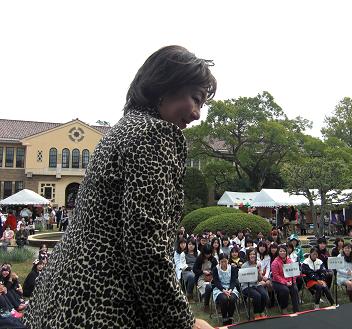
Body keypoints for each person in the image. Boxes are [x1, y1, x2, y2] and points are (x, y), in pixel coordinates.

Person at [24, 45, 217, 329]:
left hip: (63, 297)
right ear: (165, 87)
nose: (198, 113)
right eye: (195, 98)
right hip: (104, 307)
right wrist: (182, 323)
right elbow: (145, 246)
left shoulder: (121, 130)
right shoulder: (155, 134)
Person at [271, 244, 300, 314]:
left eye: (284, 251)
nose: (282, 252)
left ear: (286, 252)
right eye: (280, 251)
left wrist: (291, 281)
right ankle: (284, 307)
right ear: (278, 252)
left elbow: (293, 272)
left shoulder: (290, 261)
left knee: (295, 289)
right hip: (277, 282)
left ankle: (296, 309)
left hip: (289, 280)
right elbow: (276, 276)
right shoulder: (275, 262)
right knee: (285, 290)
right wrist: (285, 282)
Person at [241, 249, 269, 319]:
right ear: (248, 256)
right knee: (257, 296)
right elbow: (243, 280)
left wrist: (259, 271)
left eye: (254, 254)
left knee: (264, 295)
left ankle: (261, 311)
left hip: (256, 284)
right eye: (250, 254)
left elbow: (260, 279)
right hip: (246, 285)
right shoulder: (244, 265)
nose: (252, 256)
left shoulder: (258, 264)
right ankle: (256, 313)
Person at [212, 253, 239, 326]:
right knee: (224, 298)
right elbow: (216, 282)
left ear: (228, 260)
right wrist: (223, 290)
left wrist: (230, 290)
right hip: (219, 288)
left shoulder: (232, 268)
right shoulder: (215, 269)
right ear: (219, 261)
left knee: (232, 298)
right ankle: (224, 318)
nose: (224, 263)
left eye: (225, 261)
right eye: (222, 262)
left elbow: (233, 281)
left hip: (231, 288)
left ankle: (230, 318)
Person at [193, 244, 217, 312]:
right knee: (207, 287)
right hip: (201, 277)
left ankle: (217, 304)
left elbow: (216, 269)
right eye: (206, 254)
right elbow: (195, 269)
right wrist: (203, 272)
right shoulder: (199, 259)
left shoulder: (213, 259)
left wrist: (211, 273)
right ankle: (206, 305)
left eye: (209, 254)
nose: (208, 255)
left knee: (212, 285)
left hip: (211, 277)